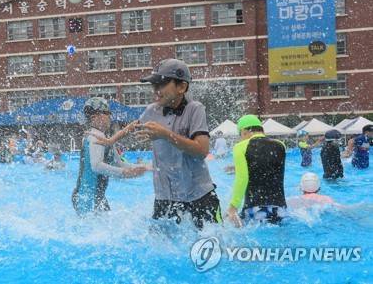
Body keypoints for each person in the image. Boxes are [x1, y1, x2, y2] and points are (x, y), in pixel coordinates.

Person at [138, 58, 222, 230]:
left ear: (181, 87)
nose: (156, 90)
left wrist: (165, 134)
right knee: (161, 251)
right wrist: (110, 141)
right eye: (154, 85)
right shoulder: (151, 111)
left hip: (199, 197)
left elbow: (202, 150)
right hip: (164, 198)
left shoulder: (195, 109)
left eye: (161, 84)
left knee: (213, 245)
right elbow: (134, 128)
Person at [72, 97, 148, 216]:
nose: (110, 117)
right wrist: (124, 173)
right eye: (107, 113)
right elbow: (96, 166)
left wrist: (142, 168)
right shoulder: (94, 136)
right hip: (86, 197)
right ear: (95, 116)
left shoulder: (105, 138)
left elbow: (119, 162)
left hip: (96, 196)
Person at [226, 115, 287, 227]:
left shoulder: (240, 147)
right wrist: (236, 168)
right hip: (280, 208)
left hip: (255, 208)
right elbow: (268, 169)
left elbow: (242, 178)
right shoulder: (280, 145)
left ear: (244, 131)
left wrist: (233, 206)